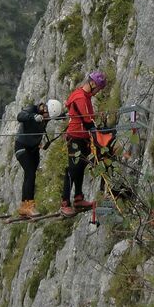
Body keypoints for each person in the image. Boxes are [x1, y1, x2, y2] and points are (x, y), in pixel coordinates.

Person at [60, 70, 107, 217]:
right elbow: (87, 122)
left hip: (81, 137)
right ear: (92, 84)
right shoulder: (80, 98)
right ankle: (65, 203)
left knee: (80, 166)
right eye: (98, 88)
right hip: (76, 137)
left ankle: (78, 198)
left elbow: (88, 118)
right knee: (72, 169)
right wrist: (98, 134)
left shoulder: (84, 96)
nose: (98, 92)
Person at [14, 97, 62, 218]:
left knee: (30, 175)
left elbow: (60, 115)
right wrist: (33, 117)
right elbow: (20, 116)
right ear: (44, 109)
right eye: (47, 116)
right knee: (30, 174)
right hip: (22, 147)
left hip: (34, 149)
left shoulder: (47, 114)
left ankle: (24, 207)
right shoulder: (32, 109)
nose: (47, 119)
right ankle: (29, 206)